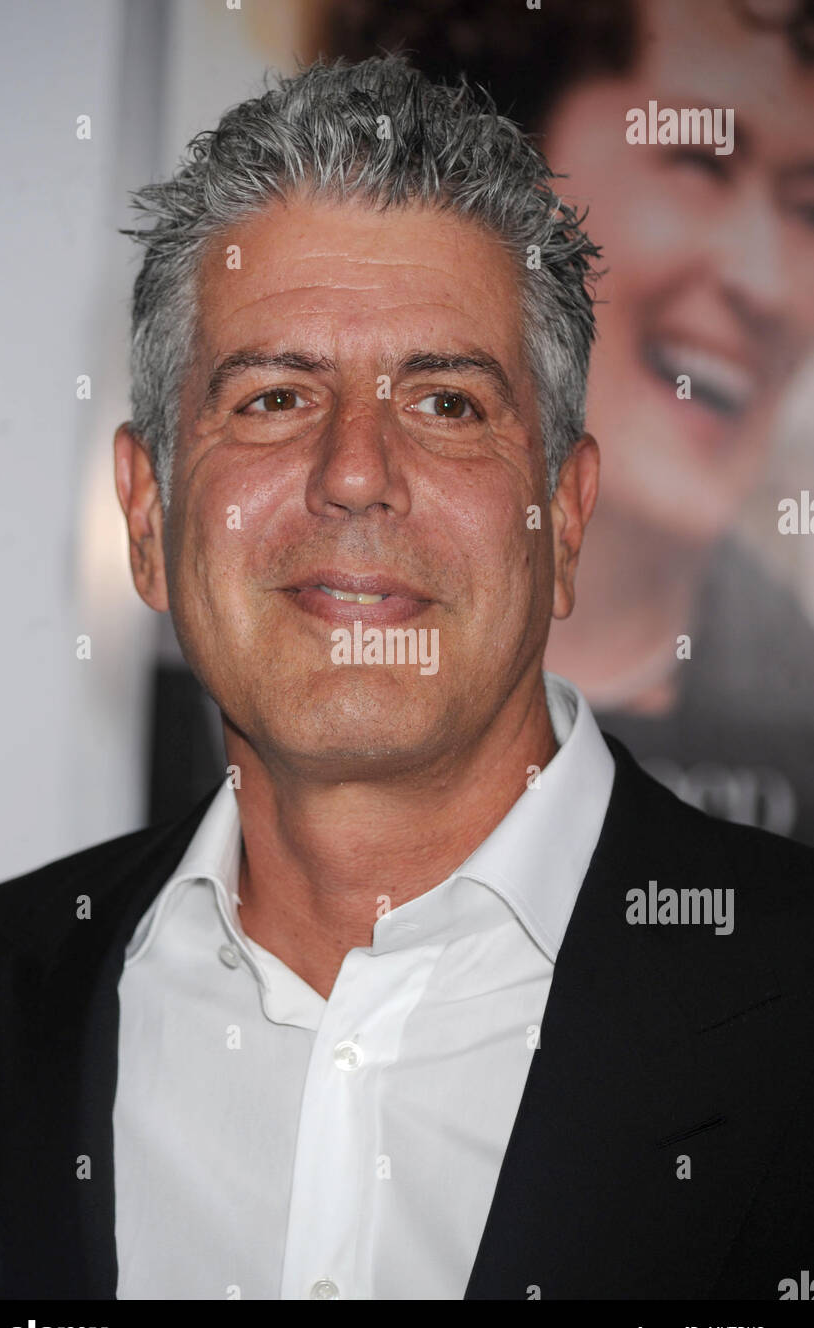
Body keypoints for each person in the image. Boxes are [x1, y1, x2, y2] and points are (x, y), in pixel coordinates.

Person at [0, 55, 813, 1302]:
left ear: (566, 519)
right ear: (146, 517)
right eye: (273, 395)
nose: (354, 472)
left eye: (446, 402)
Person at [306, 0, 814, 845]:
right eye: (698, 164)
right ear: (488, 187)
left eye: (807, 208)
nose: (765, 283)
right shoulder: (237, 655)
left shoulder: (792, 722)